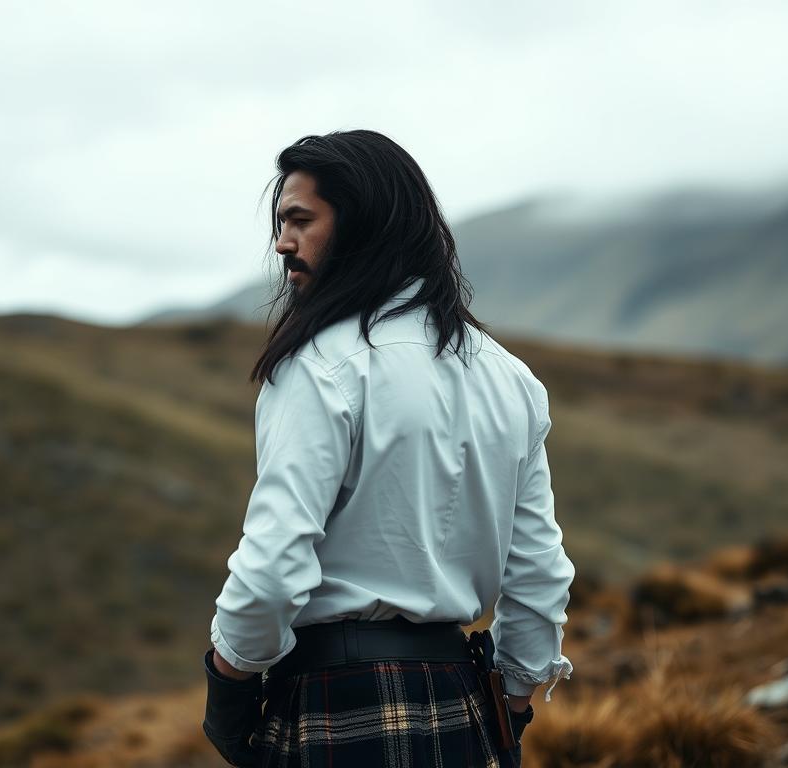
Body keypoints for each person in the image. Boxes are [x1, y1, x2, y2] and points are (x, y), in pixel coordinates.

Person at [201, 129, 575, 767]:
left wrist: (228, 682)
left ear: (363, 223)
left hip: (333, 702)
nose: (282, 242)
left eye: (300, 220)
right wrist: (512, 700)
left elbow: (273, 565)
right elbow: (537, 571)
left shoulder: (319, 366)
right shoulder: (510, 378)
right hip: (465, 705)